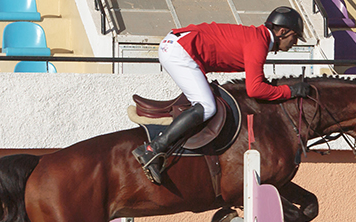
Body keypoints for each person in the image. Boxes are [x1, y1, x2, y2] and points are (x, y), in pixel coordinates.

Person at [132, 6, 313, 185]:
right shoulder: (259, 42)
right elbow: (255, 89)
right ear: (282, 32)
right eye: (295, 37)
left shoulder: (258, 38)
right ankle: (153, 149)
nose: (295, 43)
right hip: (180, 51)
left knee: (207, 101)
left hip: (178, 46)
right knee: (207, 107)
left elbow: (258, 82)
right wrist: (291, 91)